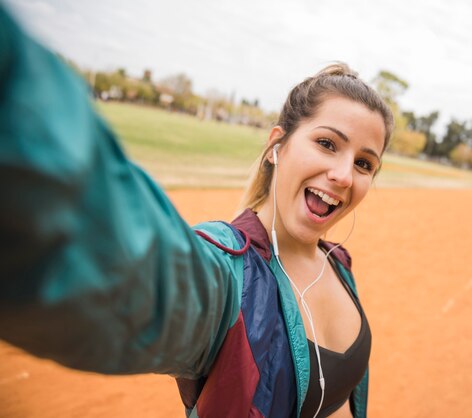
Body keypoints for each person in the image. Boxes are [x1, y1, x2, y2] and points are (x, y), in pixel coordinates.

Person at [0, 5, 393, 418]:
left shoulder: (340, 265)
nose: (345, 175)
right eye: (328, 144)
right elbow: (116, 273)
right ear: (277, 146)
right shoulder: (225, 273)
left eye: (364, 163)